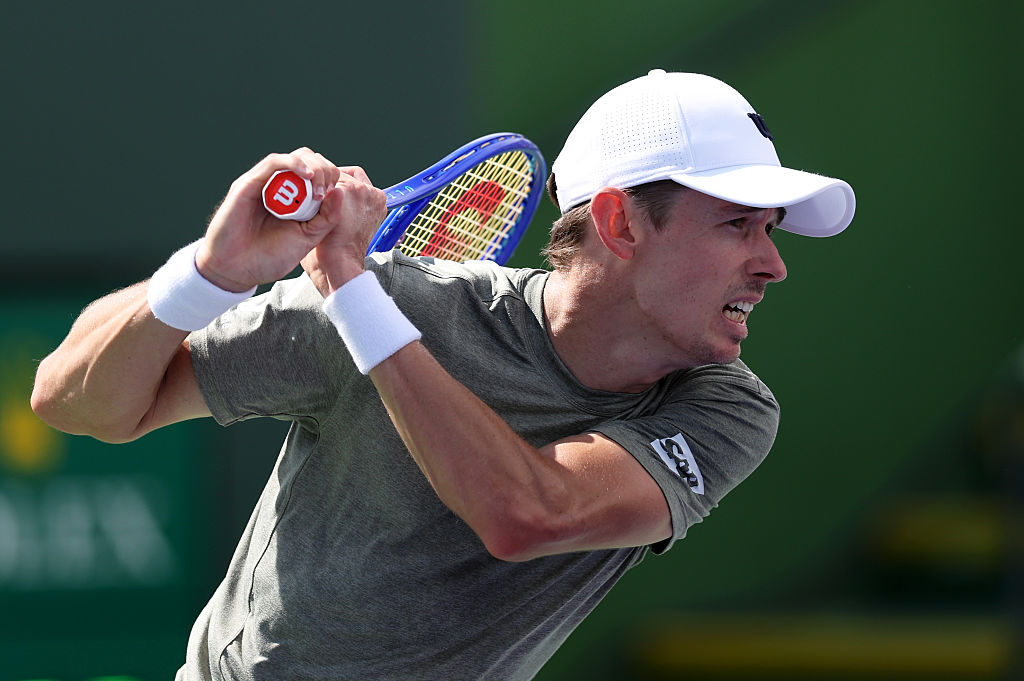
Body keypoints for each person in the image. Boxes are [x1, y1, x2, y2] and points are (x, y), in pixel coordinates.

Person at [31, 69, 855, 680]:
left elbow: (529, 512)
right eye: (738, 226)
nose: (773, 264)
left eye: (770, 230)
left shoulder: (726, 410)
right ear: (619, 221)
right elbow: (78, 403)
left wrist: (355, 295)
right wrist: (211, 273)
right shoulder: (396, 301)